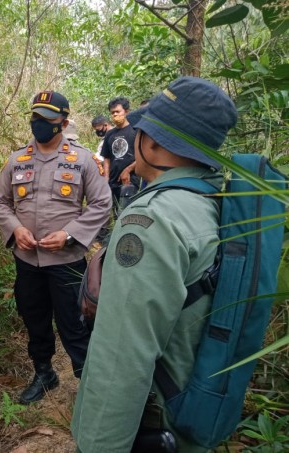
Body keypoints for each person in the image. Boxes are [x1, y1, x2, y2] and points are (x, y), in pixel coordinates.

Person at [72, 77, 238, 452]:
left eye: (142, 129)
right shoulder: (211, 200)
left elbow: (122, 355)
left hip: (155, 425)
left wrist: (96, 446)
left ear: (156, 143)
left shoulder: (153, 220)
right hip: (193, 409)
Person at [0, 90, 112, 404]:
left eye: (46, 119)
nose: (38, 123)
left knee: (75, 322)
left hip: (67, 260)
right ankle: (44, 372)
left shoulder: (83, 159)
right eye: (35, 117)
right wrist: (15, 229)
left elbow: (101, 204)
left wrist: (70, 234)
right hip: (27, 261)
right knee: (35, 318)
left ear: (64, 122)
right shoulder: (17, 159)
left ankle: (89, 382)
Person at [101, 97, 141, 207]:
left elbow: (143, 155)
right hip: (113, 182)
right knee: (115, 213)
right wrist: (106, 178)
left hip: (131, 181)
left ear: (126, 112)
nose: (115, 115)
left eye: (118, 112)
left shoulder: (136, 130)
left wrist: (128, 170)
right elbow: (107, 158)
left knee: (126, 213)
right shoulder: (110, 134)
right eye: (112, 112)